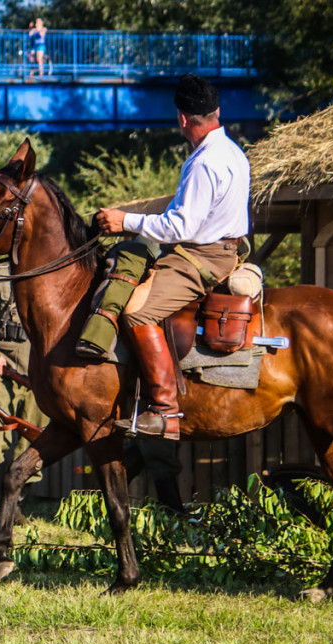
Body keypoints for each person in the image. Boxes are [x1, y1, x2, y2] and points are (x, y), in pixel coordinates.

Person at [95, 74, 250, 440]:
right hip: (220, 249)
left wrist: (124, 220)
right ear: (216, 112)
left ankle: (165, 410)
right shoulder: (232, 152)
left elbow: (180, 227)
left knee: (136, 309)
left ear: (182, 119)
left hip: (202, 256)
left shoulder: (203, 163)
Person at [0, 266, 48, 507]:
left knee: (34, 444)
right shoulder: (0, 275)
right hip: (1, 374)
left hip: (39, 375)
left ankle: (13, 504)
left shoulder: (54, 273)